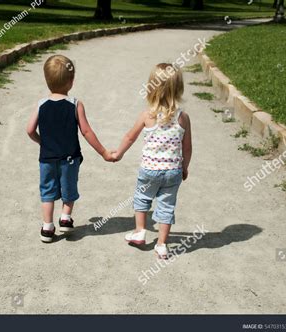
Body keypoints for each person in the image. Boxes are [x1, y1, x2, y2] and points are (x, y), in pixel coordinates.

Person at [26, 55, 115, 243]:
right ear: (71, 81)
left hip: (47, 159)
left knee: (47, 191)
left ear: (46, 80)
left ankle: (47, 227)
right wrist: (104, 152)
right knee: (69, 187)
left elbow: (29, 130)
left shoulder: (41, 105)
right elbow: (86, 131)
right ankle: (65, 217)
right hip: (70, 158)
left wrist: (42, 142)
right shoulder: (75, 104)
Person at [112, 63, 192, 259]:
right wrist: (184, 167)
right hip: (172, 171)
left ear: (152, 88)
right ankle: (162, 244)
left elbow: (130, 137)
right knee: (166, 205)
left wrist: (118, 153)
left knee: (142, 198)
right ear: (178, 88)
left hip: (149, 169)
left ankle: (140, 231)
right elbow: (187, 147)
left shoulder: (147, 116)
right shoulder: (183, 118)